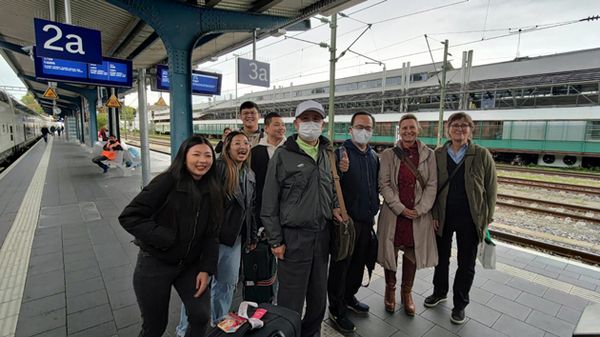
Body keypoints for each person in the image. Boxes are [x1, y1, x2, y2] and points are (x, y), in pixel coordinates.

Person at [118, 135, 223, 337]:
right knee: (155, 326)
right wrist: (165, 237)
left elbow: (213, 232)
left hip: (189, 266)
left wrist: (206, 269)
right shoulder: (167, 181)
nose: (203, 160)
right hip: (155, 265)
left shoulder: (213, 188)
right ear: (184, 157)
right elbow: (129, 216)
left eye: (208, 155)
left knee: (200, 316)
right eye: (196, 155)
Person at [261, 100, 342, 337]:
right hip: (293, 238)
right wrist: (275, 241)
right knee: (290, 302)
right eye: (305, 119)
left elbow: (330, 188)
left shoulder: (327, 153)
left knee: (318, 301)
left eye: (316, 119)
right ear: (296, 123)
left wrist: (335, 207)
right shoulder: (282, 155)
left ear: (323, 123)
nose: (311, 124)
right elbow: (269, 203)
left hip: (322, 235)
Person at [176, 131, 257, 336]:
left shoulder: (249, 173)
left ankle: (219, 322)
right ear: (227, 147)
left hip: (234, 240)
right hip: (210, 239)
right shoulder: (219, 168)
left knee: (227, 284)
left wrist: (252, 235)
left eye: (246, 143)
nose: (243, 146)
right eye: (237, 143)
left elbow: (250, 209)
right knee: (200, 288)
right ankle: (184, 330)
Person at [424, 112, 497, 325]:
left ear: (470, 129)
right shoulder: (438, 153)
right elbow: (431, 186)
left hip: (470, 218)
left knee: (466, 263)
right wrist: (434, 214)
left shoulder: (481, 154)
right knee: (441, 259)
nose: (459, 129)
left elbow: (491, 188)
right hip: (443, 216)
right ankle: (440, 292)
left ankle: (460, 304)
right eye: (455, 125)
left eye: (464, 125)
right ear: (448, 128)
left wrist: (487, 217)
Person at [377, 114, 438, 316]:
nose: (408, 131)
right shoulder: (388, 154)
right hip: (395, 214)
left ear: (418, 129)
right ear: (399, 130)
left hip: (417, 215)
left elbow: (431, 185)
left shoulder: (429, 154)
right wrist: (400, 207)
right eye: (404, 128)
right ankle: (390, 289)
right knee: (390, 252)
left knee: (412, 252)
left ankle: (407, 293)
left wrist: (419, 210)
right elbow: (384, 184)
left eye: (412, 127)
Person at [327, 112, 380, 333]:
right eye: (359, 127)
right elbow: (329, 184)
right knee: (341, 266)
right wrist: (340, 169)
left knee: (359, 263)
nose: (364, 131)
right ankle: (336, 309)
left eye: (368, 128)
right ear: (350, 129)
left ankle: (350, 297)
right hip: (346, 223)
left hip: (367, 220)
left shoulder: (373, 156)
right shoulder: (340, 153)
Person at [251, 112, 286, 229]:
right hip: (262, 208)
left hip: (287, 209)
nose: (281, 128)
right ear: (266, 128)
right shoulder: (254, 152)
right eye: (277, 124)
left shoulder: (292, 150)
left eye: (283, 125)